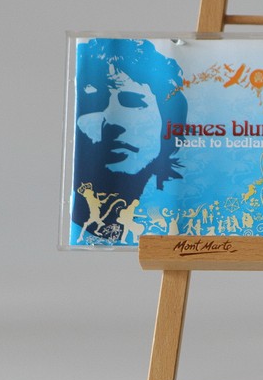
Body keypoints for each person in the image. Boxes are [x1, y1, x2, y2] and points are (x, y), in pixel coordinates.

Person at [70, 38, 187, 244]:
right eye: (93, 101)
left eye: (132, 101)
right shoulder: (79, 221)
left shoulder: (187, 210)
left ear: (168, 120)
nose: (113, 121)